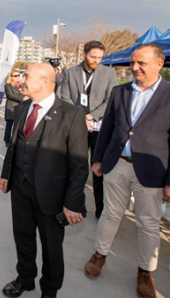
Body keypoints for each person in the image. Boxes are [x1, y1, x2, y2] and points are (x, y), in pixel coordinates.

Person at [84, 43, 170, 298]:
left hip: (152, 173)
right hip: (117, 166)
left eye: (141, 63)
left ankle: (145, 271)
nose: (135, 68)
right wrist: (98, 159)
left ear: (159, 64)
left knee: (148, 224)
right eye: (133, 63)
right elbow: (107, 129)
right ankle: (99, 255)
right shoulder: (120, 91)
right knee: (110, 214)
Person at [0, 63, 88, 298]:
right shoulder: (22, 107)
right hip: (20, 188)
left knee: (51, 247)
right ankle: (25, 278)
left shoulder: (72, 114)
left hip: (51, 195)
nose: (21, 80)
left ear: (44, 81)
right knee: (23, 237)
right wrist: (6, 174)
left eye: (26, 76)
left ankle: (49, 290)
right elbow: (14, 146)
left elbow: (79, 164)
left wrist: (73, 202)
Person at [60, 41, 118, 219]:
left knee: (97, 169)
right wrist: (79, 119)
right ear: (84, 54)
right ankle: (69, 202)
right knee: (73, 166)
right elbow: (65, 98)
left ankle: (100, 210)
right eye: (93, 57)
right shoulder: (70, 72)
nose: (96, 60)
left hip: (98, 127)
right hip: (76, 127)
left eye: (100, 57)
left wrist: (90, 116)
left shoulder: (109, 73)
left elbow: (111, 100)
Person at [3, 67, 24, 147]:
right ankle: (7, 140)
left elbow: (24, 93)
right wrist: (22, 98)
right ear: (11, 77)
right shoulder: (7, 85)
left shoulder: (20, 85)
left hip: (19, 108)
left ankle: (14, 140)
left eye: (18, 75)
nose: (17, 77)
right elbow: (10, 95)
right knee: (9, 125)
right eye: (15, 76)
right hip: (11, 107)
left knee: (17, 126)